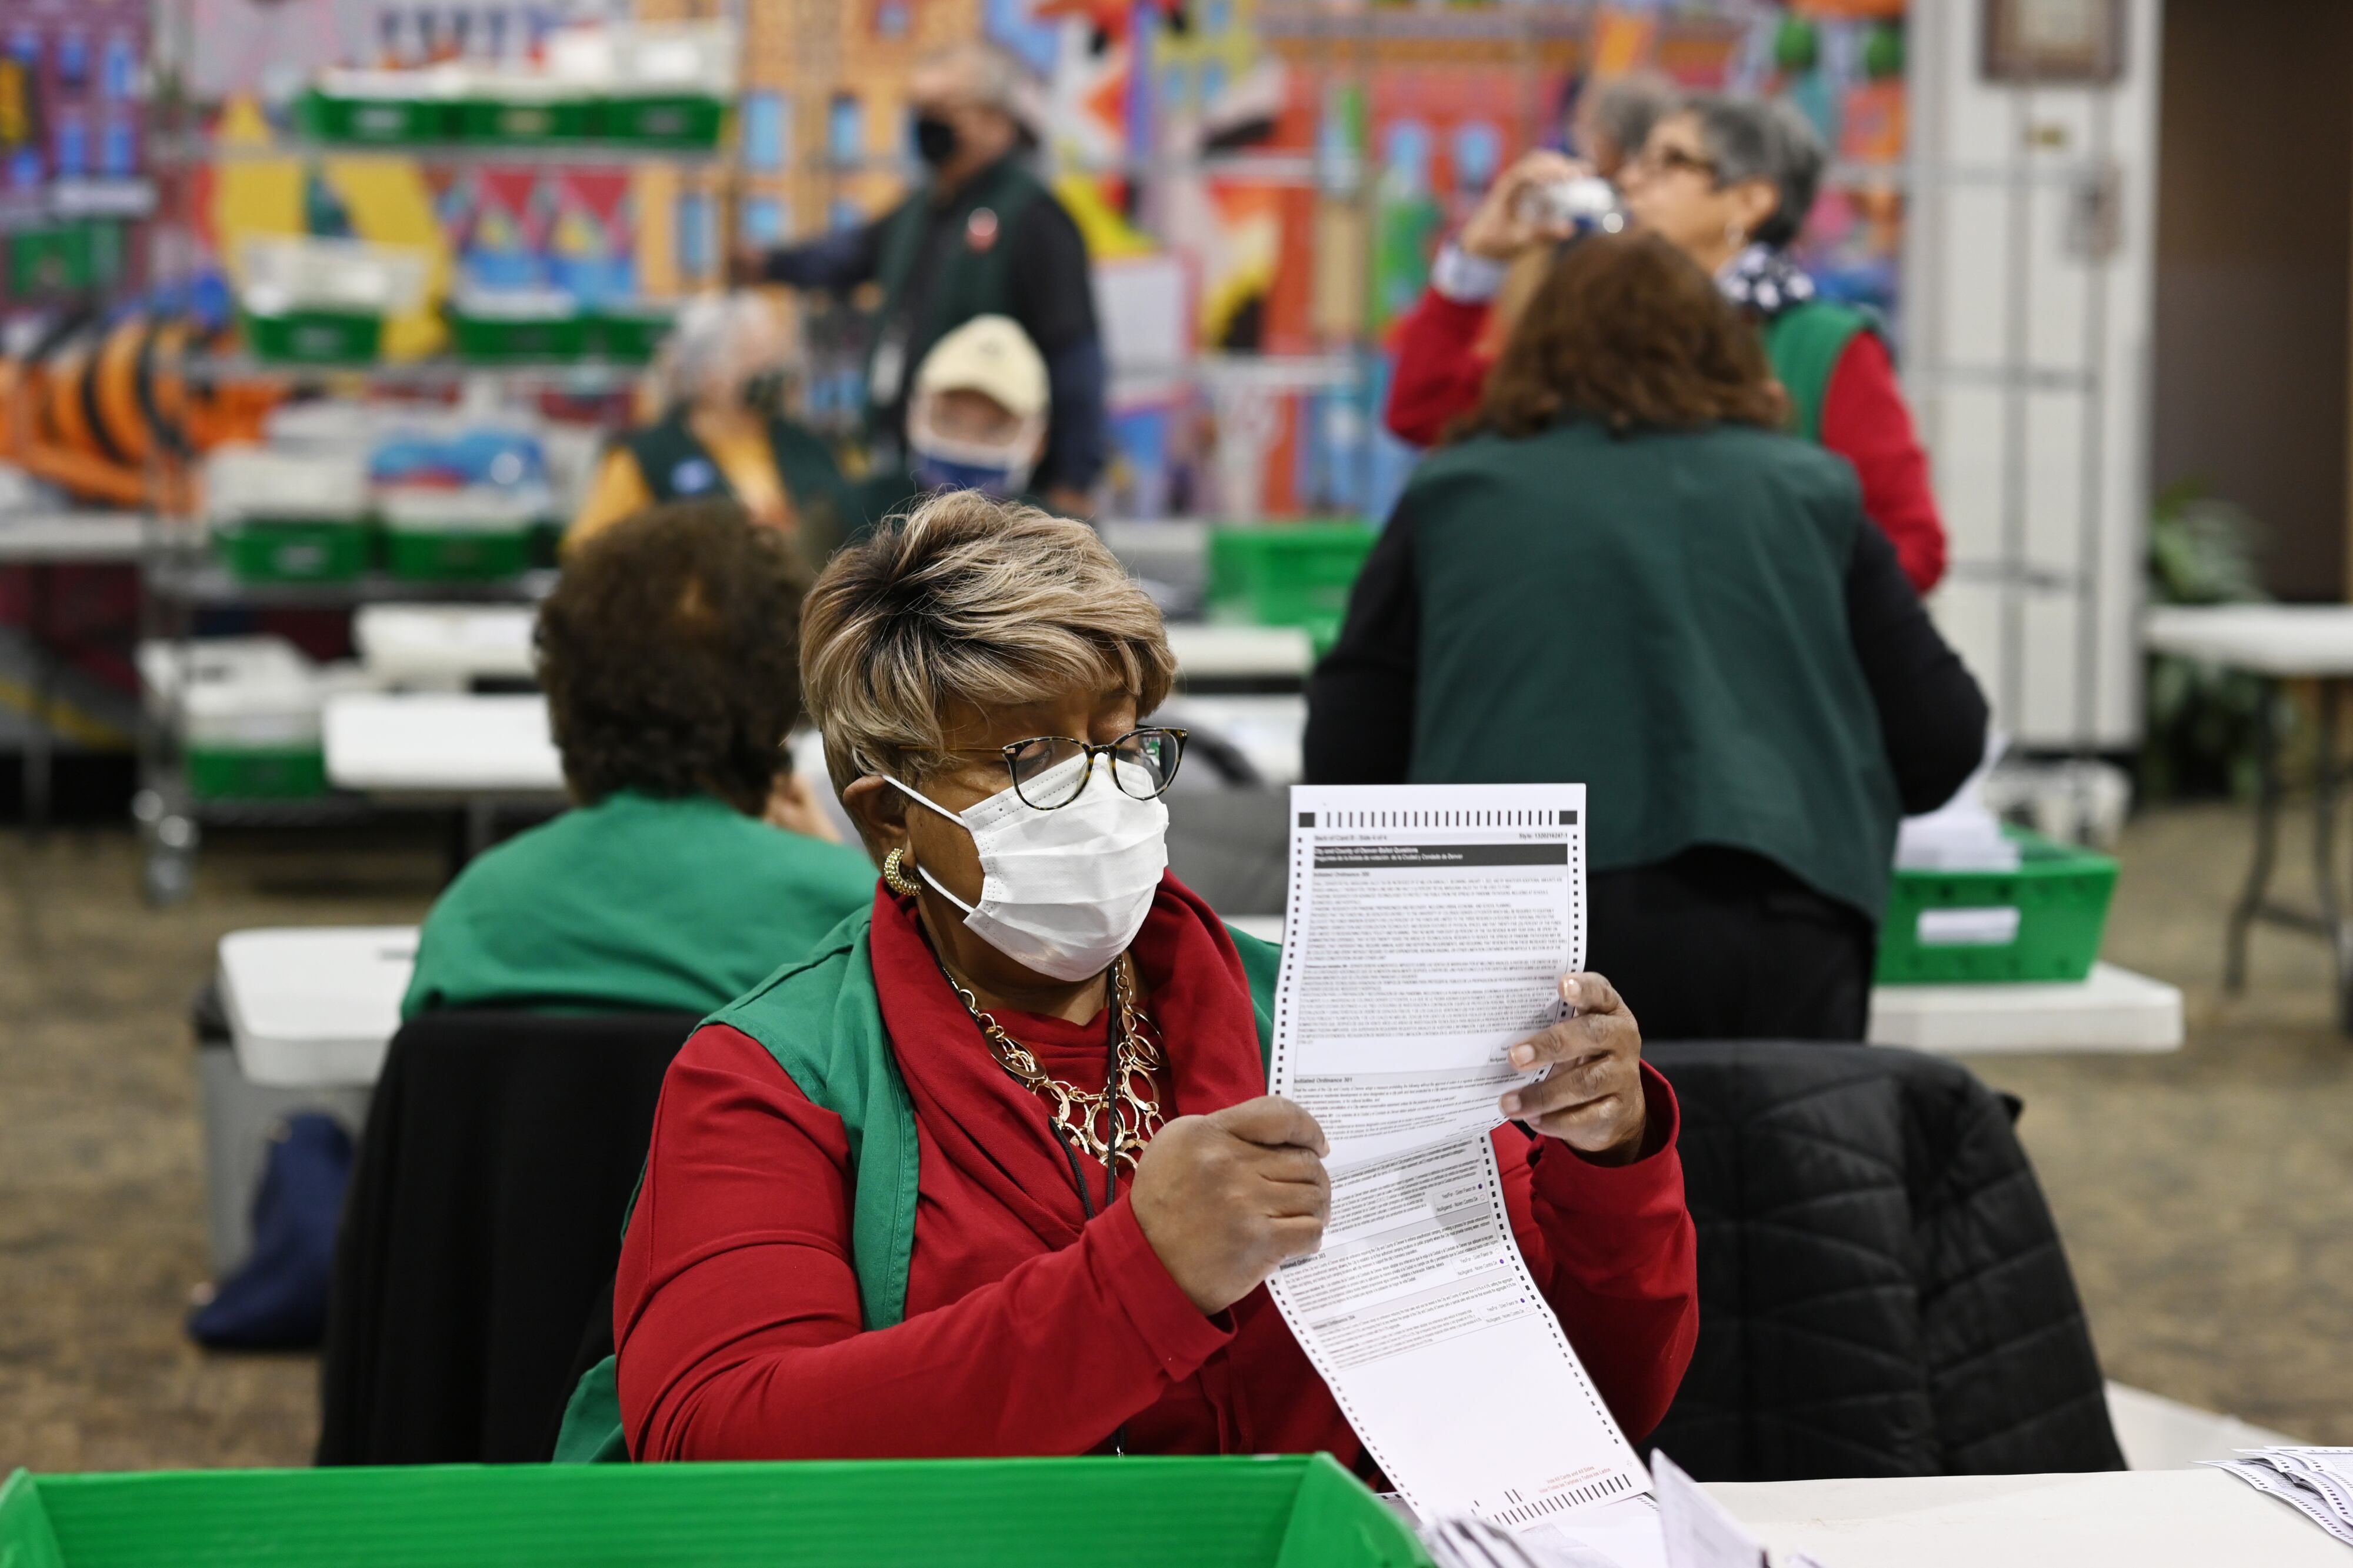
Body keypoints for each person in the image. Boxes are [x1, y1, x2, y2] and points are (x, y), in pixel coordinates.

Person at [574, 491, 1697, 1462]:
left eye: (1120, 742)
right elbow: (725, 1441)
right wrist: (1135, 1283)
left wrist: (1613, 1159)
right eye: (1032, 758)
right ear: (890, 825)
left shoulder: (1308, 1021)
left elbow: (1582, 1407)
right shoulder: (777, 1076)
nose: (1103, 793)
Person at [1309, 232, 1988, 1043]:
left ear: (1537, 349)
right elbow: (1943, 736)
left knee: (1553, 1170)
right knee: (1775, 1164)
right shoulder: (1811, 492)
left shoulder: (1459, 493)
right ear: (1725, 349)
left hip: (1512, 932)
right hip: (1783, 917)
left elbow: (1351, 740)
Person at [1384, 95, 1947, 593]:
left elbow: (1913, 546)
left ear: (1750, 201)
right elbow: (1426, 408)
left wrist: (1776, 607)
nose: (1630, 182)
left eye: (1670, 164)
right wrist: (1479, 259)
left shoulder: (1820, 344)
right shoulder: (1598, 333)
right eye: (1637, 163)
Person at [401, 499, 875, 1019]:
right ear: (781, 708)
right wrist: (843, 870)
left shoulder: (471, 915)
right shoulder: (847, 920)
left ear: (566, 694)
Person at [734, 41, 1105, 518]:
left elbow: (1075, 352)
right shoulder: (921, 208)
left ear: (997, 122)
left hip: (999, 484)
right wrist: (770, 263)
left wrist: (1075, 479)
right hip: (913, 468)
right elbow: (846, 255)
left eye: (944, 110)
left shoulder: (1033, 217)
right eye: (919, 109)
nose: (927, 124)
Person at [568, 293, 845, 556]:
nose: (773, 372)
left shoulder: (809, 446)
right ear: (707, 373)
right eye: (755, 358)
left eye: (777, 357)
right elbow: (587, 553)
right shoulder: (645, 458)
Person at [842, 313, 1052, 535]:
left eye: (995, 429)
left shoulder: (1058, 545)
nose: (967, 446)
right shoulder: (853, 515)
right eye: (949, 420)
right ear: (912, 416)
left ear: (1038, 441)